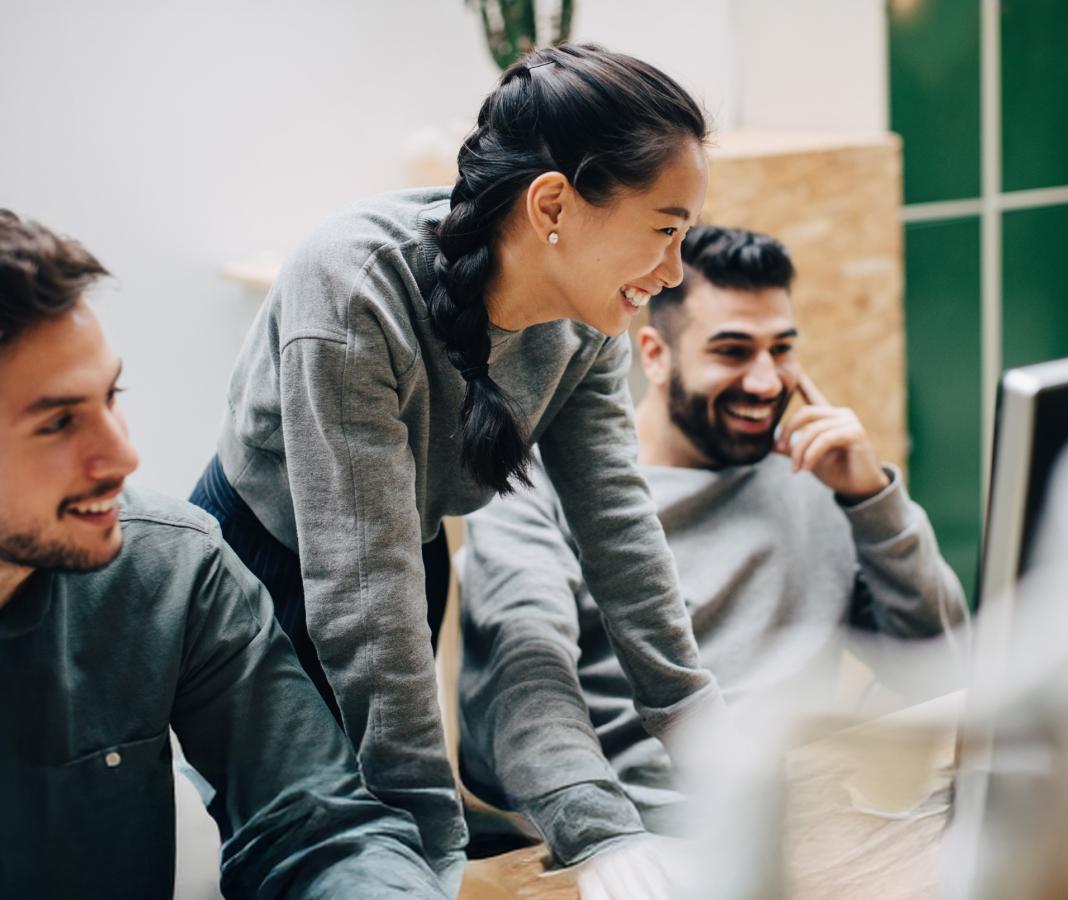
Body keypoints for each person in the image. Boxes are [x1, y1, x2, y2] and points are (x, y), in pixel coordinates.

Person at [187, 43, 725, 887]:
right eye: (664, 228)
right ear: (554, 203)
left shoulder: (589, 321)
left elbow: (617, 529)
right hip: (262, 576)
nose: (673, 270)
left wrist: (705, 734)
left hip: (405, 553)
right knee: (320, 853)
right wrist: (429, 855)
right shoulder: (352, 287)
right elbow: (363, 590)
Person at [456, 226, 969, 896]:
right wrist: (623, 841)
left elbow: (948, 665)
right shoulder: (534, 493)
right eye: (731, 351)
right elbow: (520, 706)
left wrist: (873, 501)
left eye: (780, 350)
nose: (764, 381)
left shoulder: (816, 478)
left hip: (808, 825)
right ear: (655, 353)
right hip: (632, 851)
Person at [0, 210, 445, 899]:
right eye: (58, 422)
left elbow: (316, 827)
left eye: (110, 396)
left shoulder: (170, 567)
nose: (123, 454)